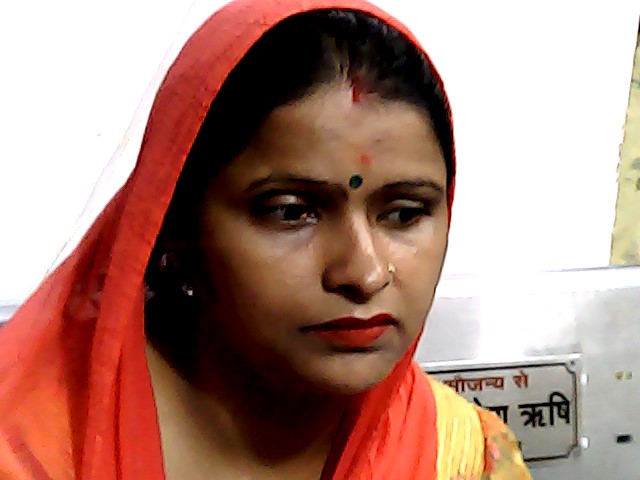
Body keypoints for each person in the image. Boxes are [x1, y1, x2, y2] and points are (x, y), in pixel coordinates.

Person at [0, 0, 532, 479]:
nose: (365, 272)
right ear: (176, 226)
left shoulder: (462, 460)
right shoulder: (27, 451)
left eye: (404, 214)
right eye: (292, 213)